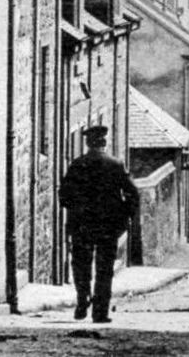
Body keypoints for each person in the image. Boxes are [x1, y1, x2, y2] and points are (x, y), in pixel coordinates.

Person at [60, 125, 139, 323]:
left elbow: (64, 196)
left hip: (82, 225)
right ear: (104, 143)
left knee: (81, 265)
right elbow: (133, 193)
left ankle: (82, 300)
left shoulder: (77, 165)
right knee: (104, 269)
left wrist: (76, 210)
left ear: (88, 143)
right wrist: (125, 215)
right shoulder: (116, 165)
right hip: (108, 226)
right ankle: (100, 312)